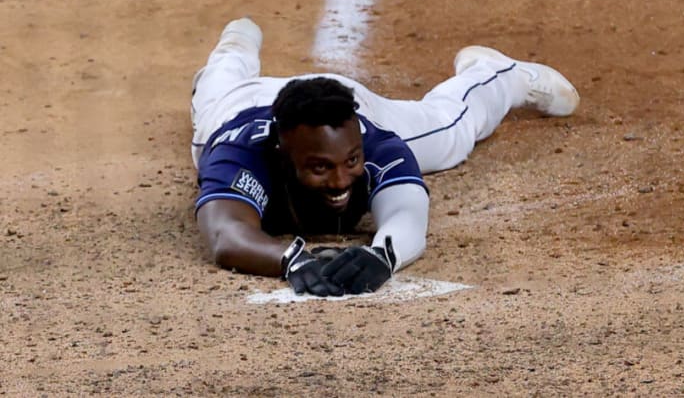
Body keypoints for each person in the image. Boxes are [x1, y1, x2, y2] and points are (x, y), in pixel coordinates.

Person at [190, 18, 579, 297]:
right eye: (321, 167)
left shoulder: (375, 142)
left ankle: (497, 73)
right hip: (236, 106)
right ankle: (236, 46)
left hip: (339, 99)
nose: (342, 181)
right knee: (211, 96)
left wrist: (384, 253)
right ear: (281, 153)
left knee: (449, 131)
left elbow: (407, 213)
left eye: (351, 162)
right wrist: (291, 259)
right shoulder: (238, 154)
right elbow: (226, 235)